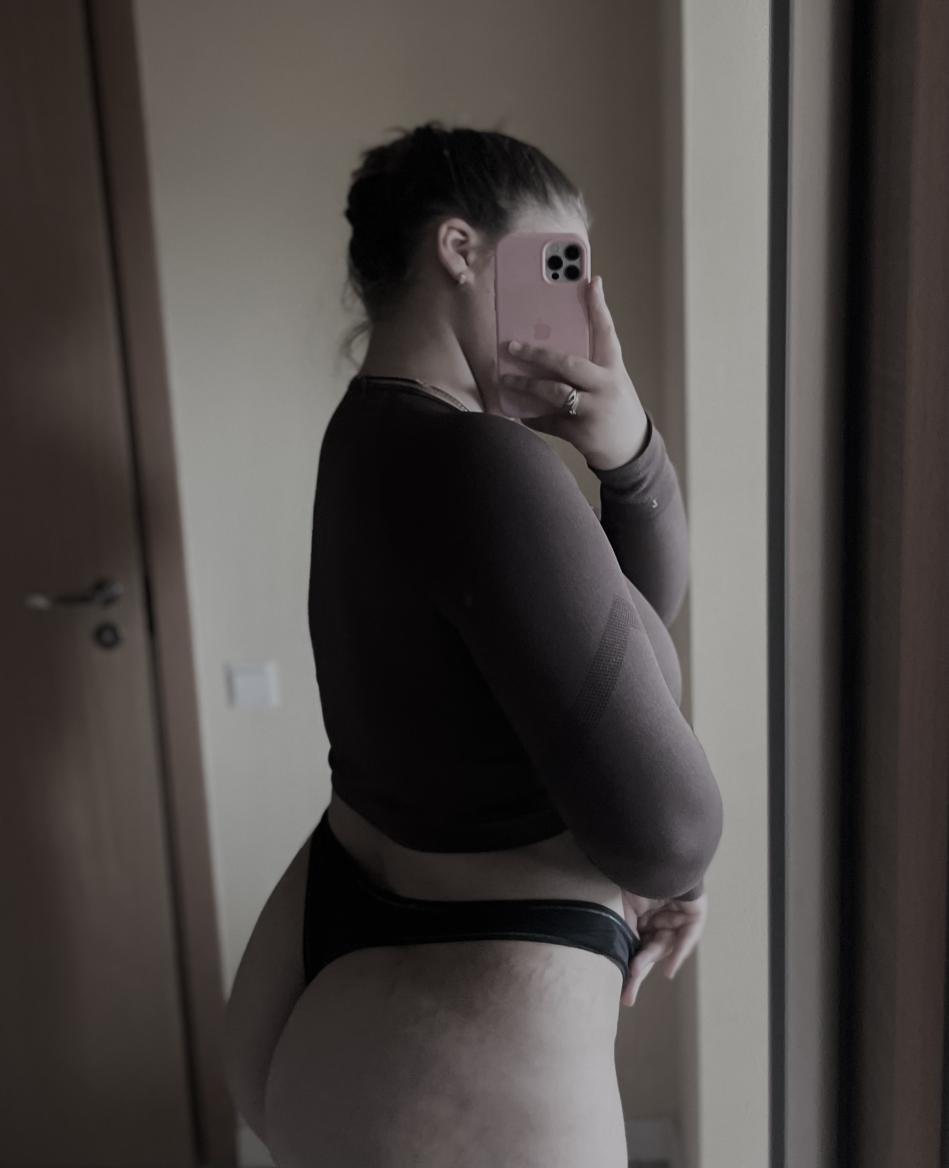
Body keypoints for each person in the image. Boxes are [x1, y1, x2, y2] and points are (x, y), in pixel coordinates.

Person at [224, 121, 723, 1167]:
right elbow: (667, 831)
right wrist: (676, 875)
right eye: (559, 262)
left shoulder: (365, 429)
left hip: (341, 932)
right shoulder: (482, 461)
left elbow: (628, 625)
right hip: (461, 1000)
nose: (578, 301)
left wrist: (625, 453)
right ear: (460, 249)